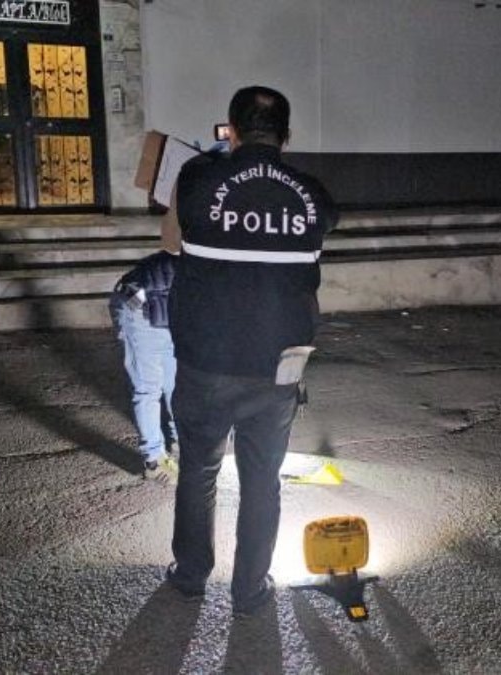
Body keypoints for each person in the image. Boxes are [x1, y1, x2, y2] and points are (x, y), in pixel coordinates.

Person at [162, 85, 339, 615]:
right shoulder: (313, 196)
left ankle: (191, 575)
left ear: (231, 131)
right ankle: (250, 589)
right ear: (287, 136)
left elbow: (170, 243)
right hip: (279, 363)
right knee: (262, 480)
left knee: (199, 470)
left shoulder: (197, 178)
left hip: (207, 360)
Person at [110, 249, 180, 483]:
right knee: (148, 388)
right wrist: (130, 319)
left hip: (165, 311)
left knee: (176, 385)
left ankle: (181, 445)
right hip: (139, 305)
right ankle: (154, 461)